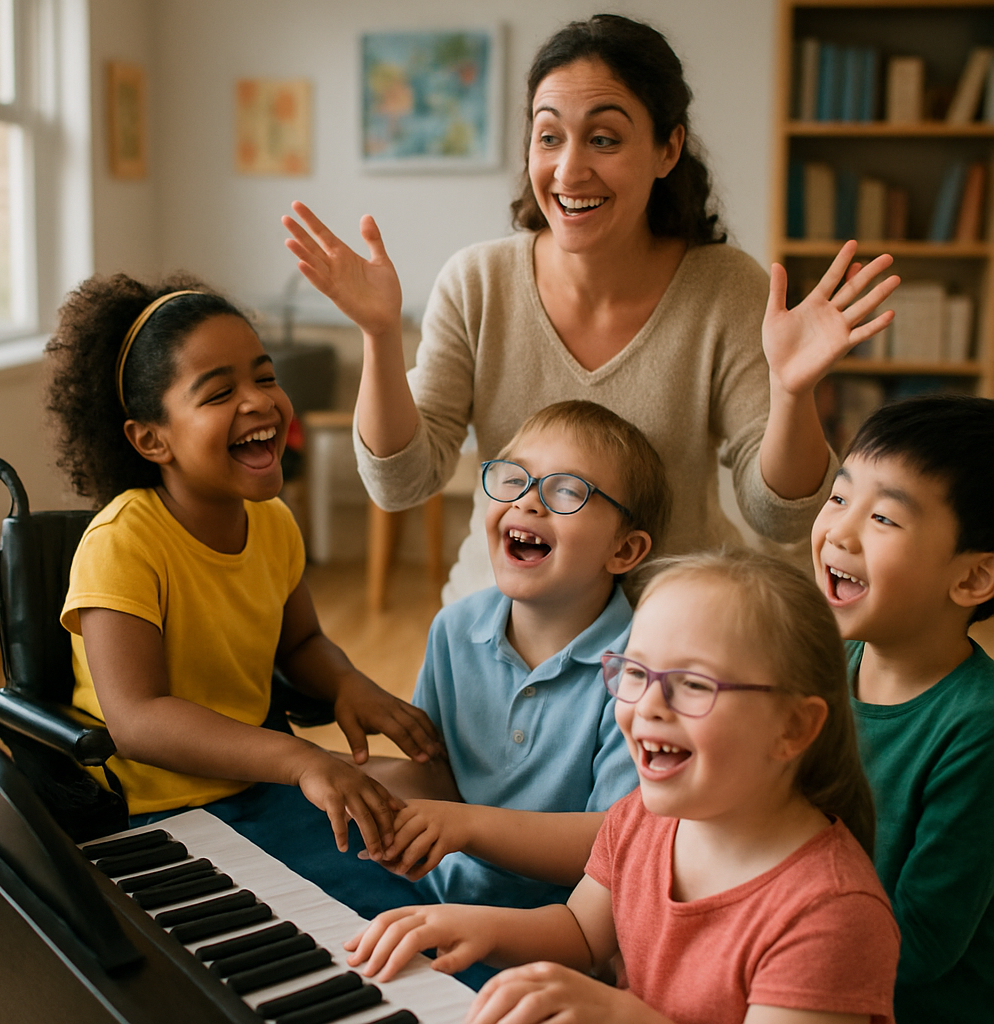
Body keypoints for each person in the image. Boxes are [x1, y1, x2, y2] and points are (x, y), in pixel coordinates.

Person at [282, 12, 898, 604]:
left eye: (604, 139)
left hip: (667, 636)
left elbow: (780, 517)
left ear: (667, 148)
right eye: (549, 136)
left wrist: (793, 395)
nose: (569, 170)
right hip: (503, 622)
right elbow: (402, 482)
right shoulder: (477, 282)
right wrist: (379, 335)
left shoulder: (724, 287)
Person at [341, 549, 900, 1024]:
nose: (646, 705)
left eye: (691, 684)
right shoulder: (644, 817)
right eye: (634, 673)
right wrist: (470, 925)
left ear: (794, 728)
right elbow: (582, 931)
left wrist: (620, 1014)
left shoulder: (830, 914)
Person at [47, 272, 447, 919]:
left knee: (442, 813)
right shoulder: (124, 540)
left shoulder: (273, 521)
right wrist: (298, 759)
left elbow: (302, 641)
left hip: (259, 780)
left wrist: (348, 685)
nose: (260, 401)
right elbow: (137, 718)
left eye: (265, 377)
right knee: (370, 913)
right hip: (159, 810)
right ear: (151, 438)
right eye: (220, 392)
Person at [364, 399, 669, 911]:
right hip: (436, 896)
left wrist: (468, 827)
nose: (528, 502)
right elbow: (436, 779)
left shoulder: (640, 669)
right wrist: (333, 773)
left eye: (568, 491)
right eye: (514, 478)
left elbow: (612, 844)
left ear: (624, 552)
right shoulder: (454, 630)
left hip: (563, 931)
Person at [811, 394, 994, 1023]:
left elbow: (920, 945)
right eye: (839, 498)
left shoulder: (979, 725)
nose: (838, 530)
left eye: (884, 519)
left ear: (972, 579)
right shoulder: (821, 666)